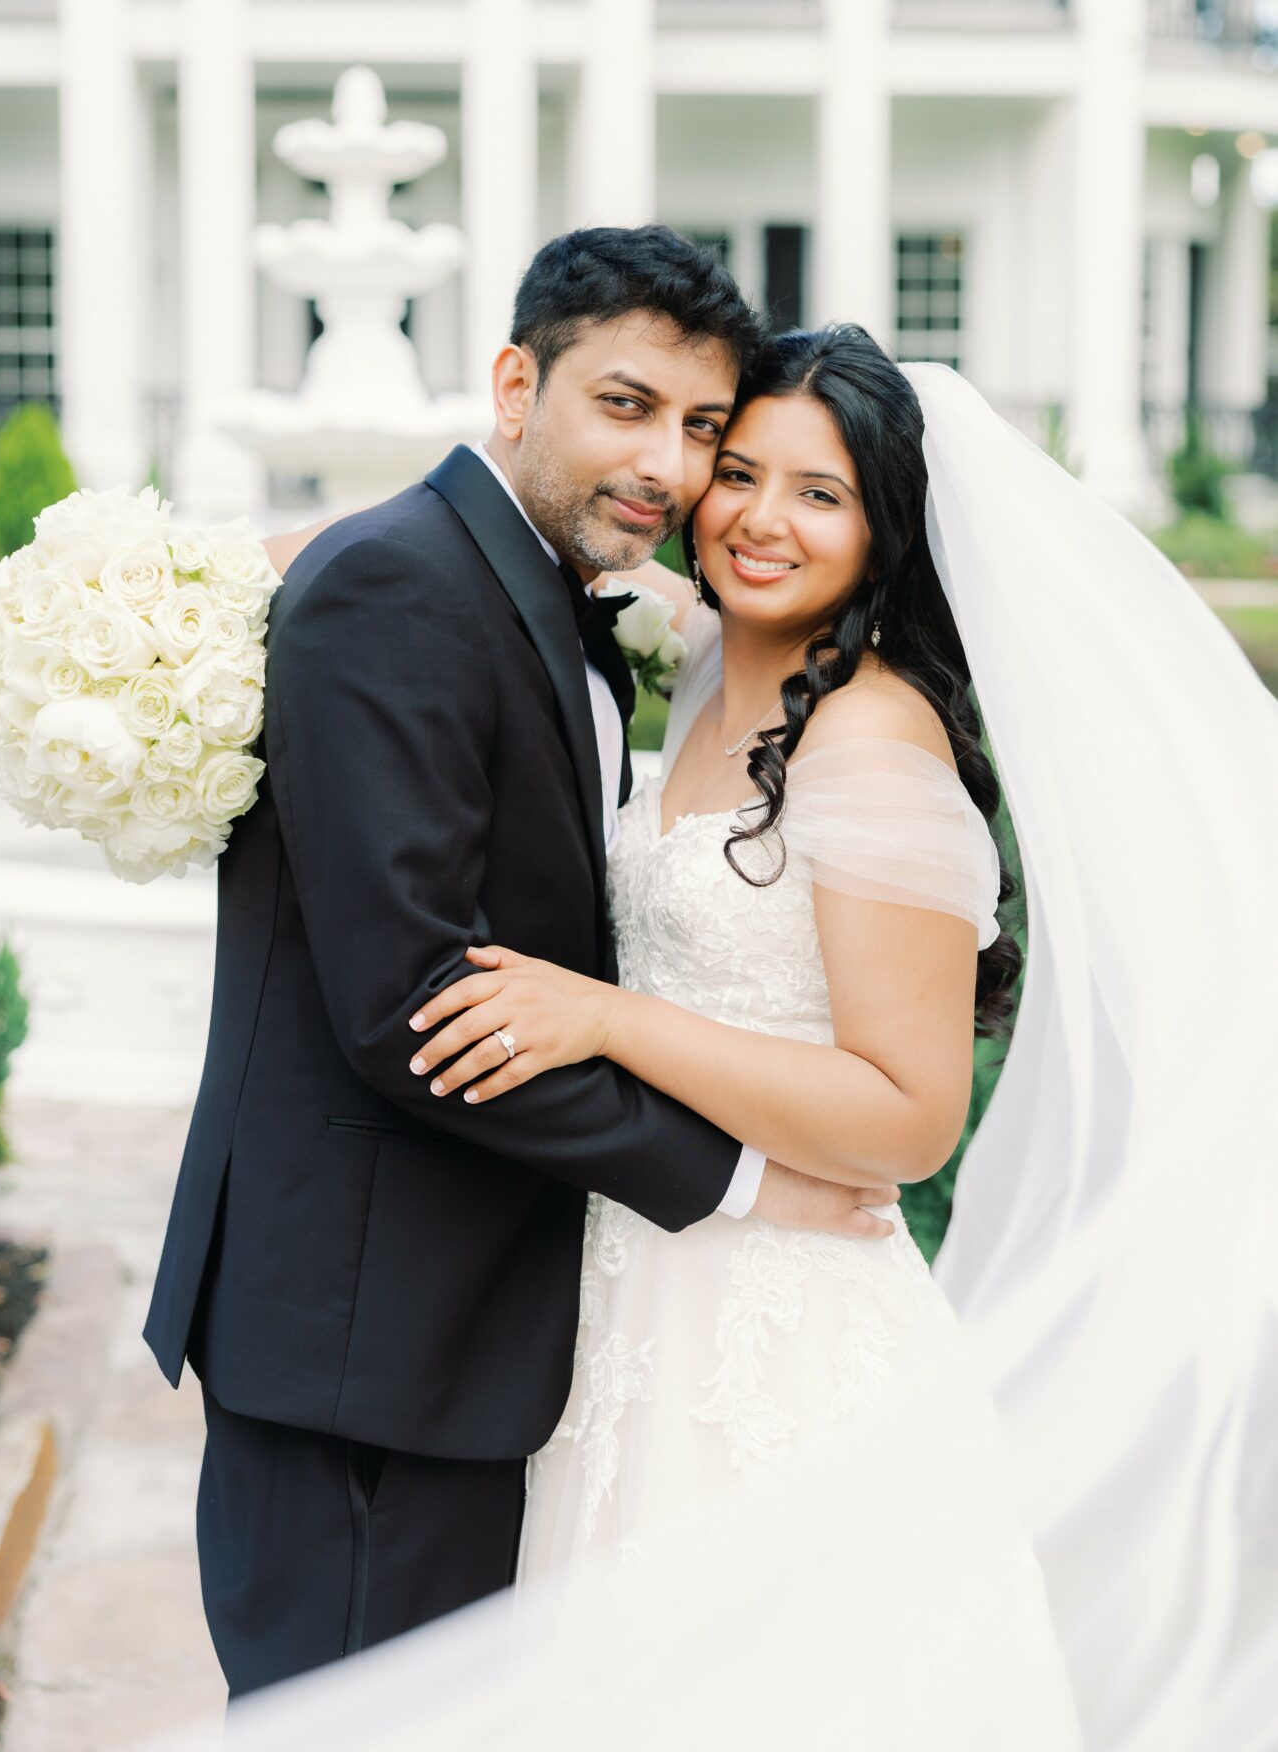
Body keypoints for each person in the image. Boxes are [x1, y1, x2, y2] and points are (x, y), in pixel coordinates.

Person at [142, 230, 897, 1700]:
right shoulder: (399, 589)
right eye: (623, 406)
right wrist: (739, 1180)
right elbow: (416, 1010)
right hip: (369, 1328)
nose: (669, 469)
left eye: (697, 429)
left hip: (450, 1329)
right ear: (513, 382)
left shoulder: (525, 586)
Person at [408, 324, 1084, 1740]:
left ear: (884, 534)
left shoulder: (869, 739)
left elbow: (907, 1118)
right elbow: (463, 550)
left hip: (785, 1328)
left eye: (820, 494)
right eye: (739, 471)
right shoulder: (715, 664)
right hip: (631, 1293)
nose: (760, 519)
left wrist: (603, 1016)